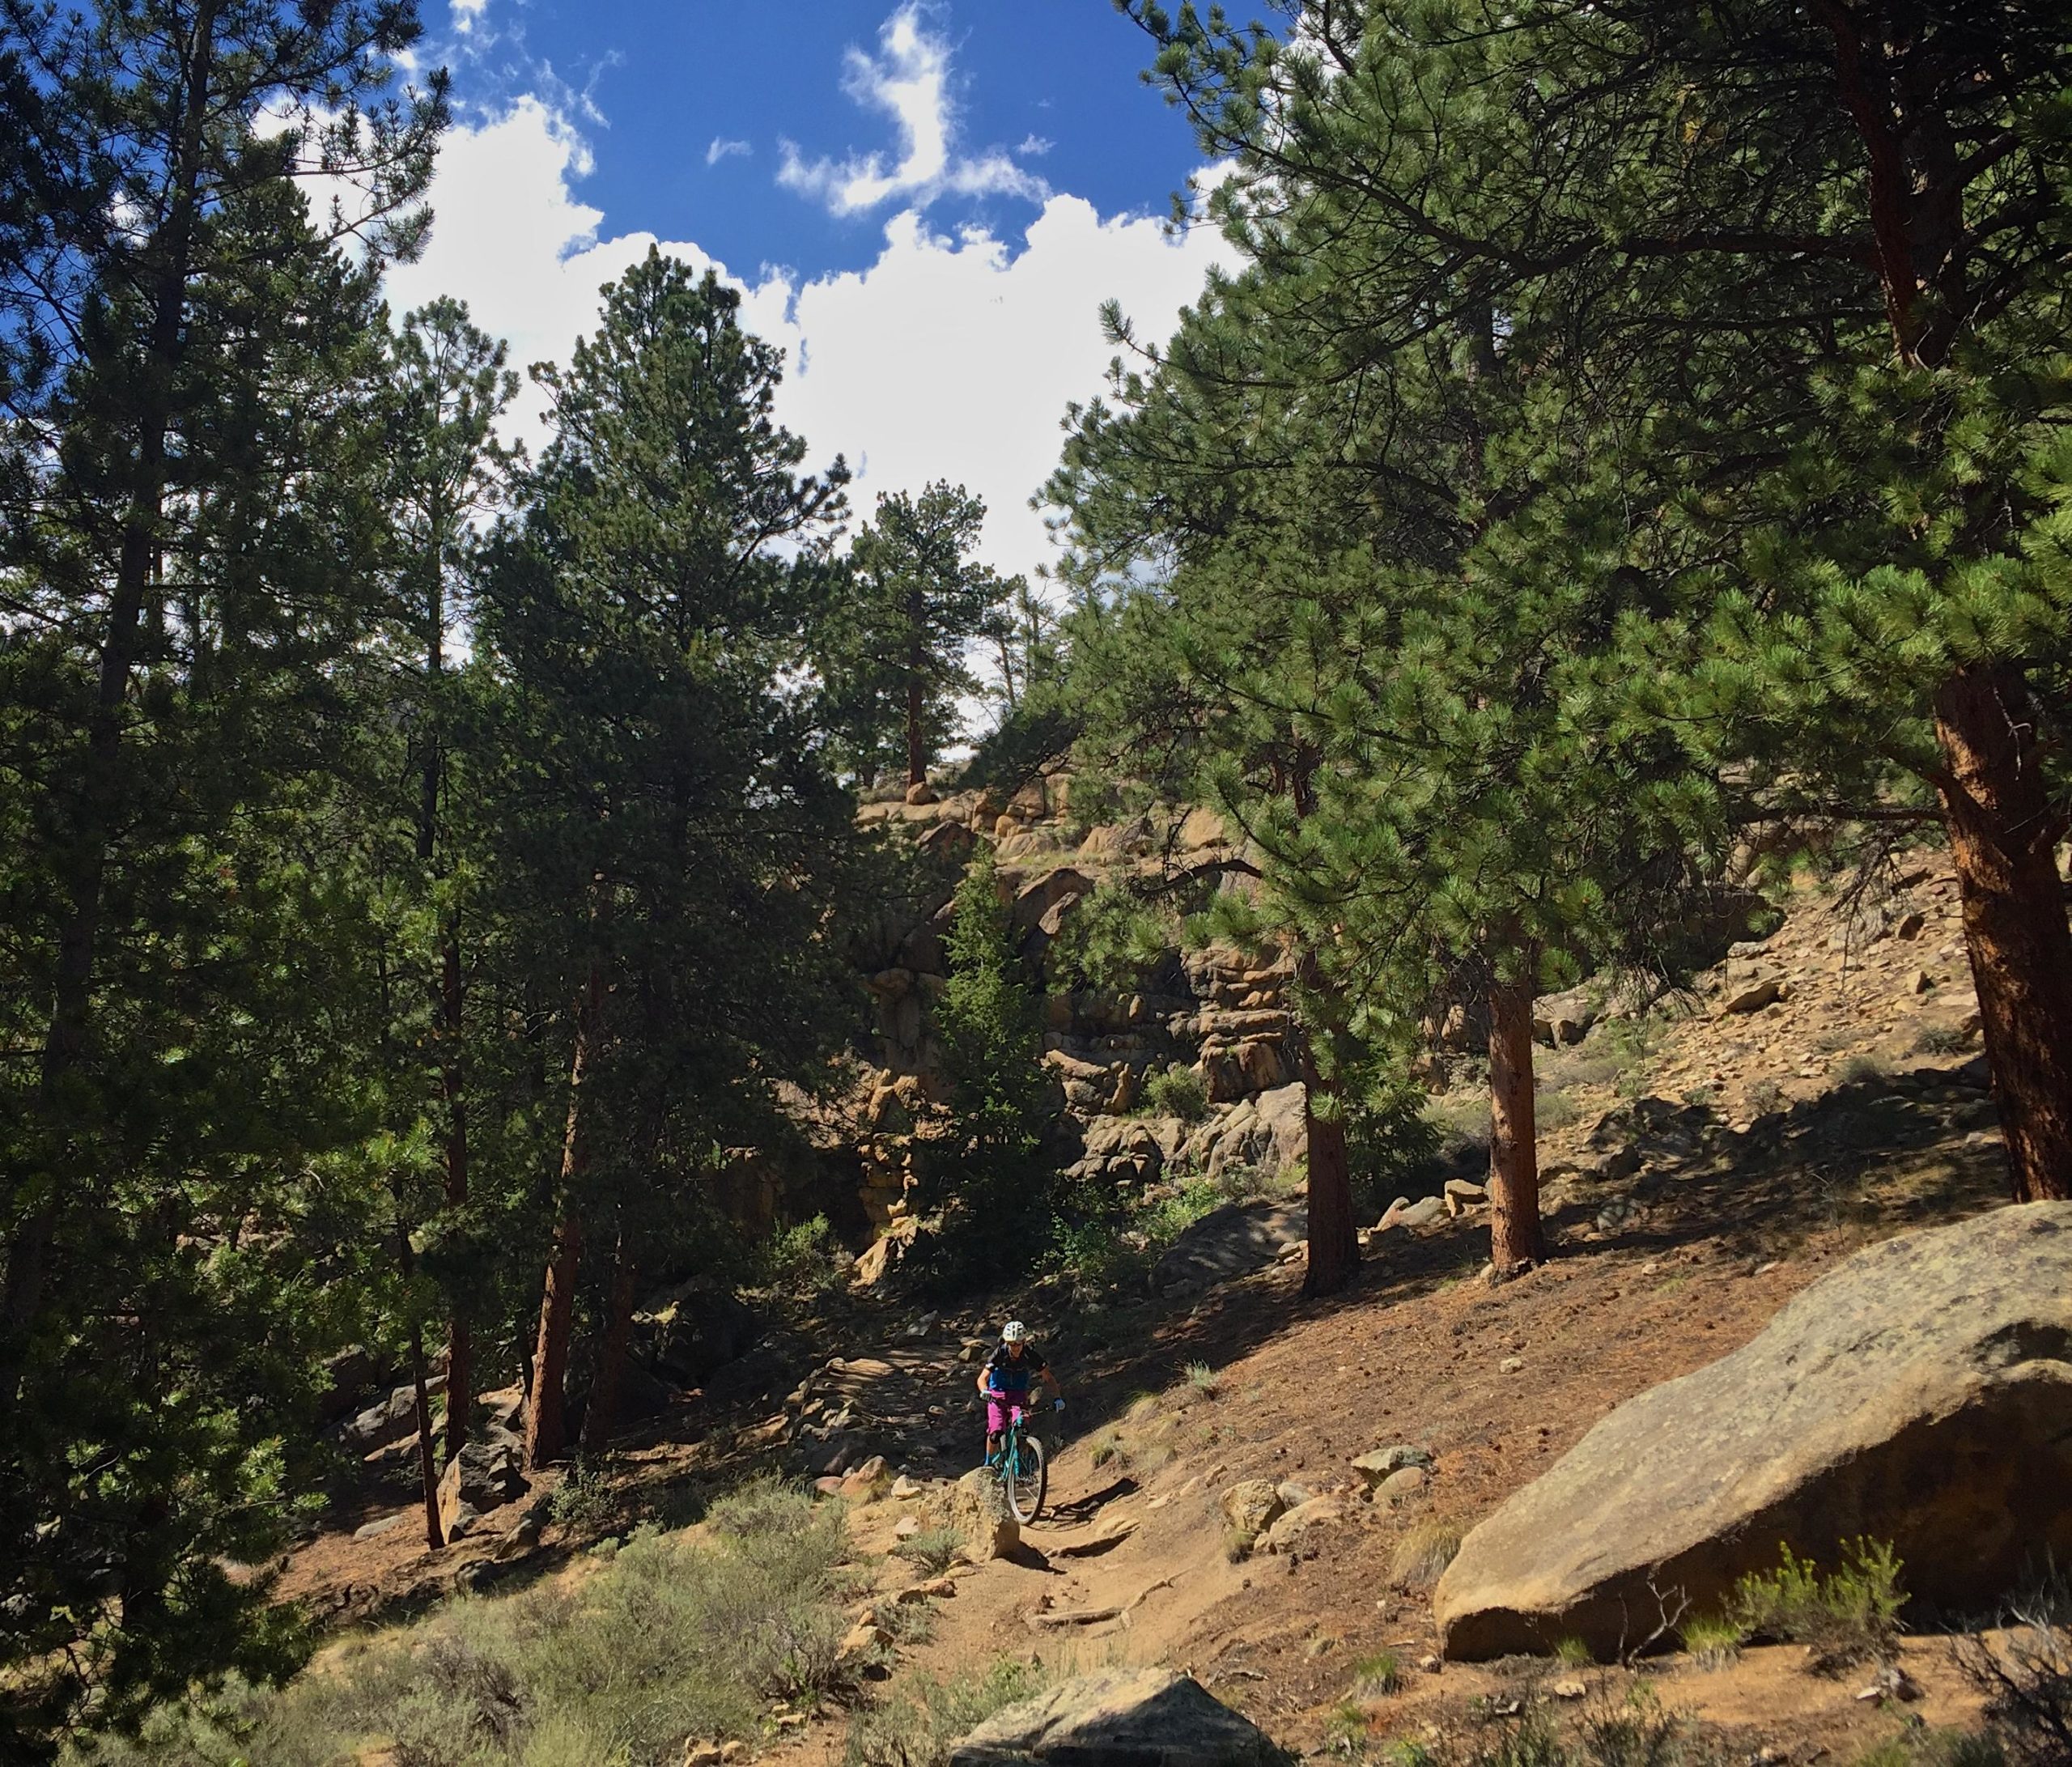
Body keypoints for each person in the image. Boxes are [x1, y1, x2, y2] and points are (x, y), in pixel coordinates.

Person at [978, 1319, 1061, 1465]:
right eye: (1011, 1344)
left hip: (1018, 1396)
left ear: (1023, 1341)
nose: (1015, 1347)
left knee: (1022, 1427)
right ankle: (988, 1464)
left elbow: (1048, 1377)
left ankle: (1023, 1464)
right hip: (997, 1395)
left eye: (1018, 1343)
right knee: (996, 1432)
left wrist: (1057, 1398)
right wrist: (984, 1390)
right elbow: (982, 1378)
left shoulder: (1030, 1355)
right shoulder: (999, 1353)